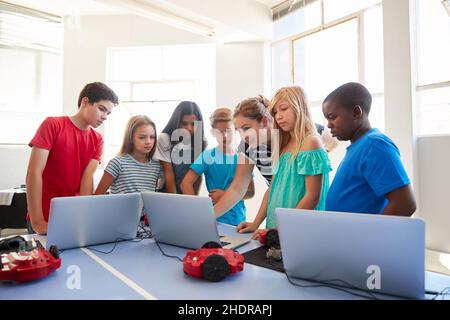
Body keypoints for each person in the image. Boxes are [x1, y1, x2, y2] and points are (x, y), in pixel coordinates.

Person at [213, 94, 335, 219]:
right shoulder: (246, 145)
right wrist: (209, 216)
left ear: (264, 122)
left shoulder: (297, 132)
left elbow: (333, 142)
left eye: (247, 128)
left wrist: (313, 160)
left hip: (307, 208)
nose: (243, 136)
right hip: (279, 203)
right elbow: (237, 188)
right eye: (238, 131)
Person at [237, 86, 331, 237]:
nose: (278, 116)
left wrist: (282, 229)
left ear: (299, 107)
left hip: (299, 230)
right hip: (278, 229)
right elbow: (272, 189)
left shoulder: (311, 142)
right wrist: (256, 223)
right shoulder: (283, 145)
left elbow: (312, 197)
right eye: (275, 112)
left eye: (283, 109)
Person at [26, 82, 119, 234]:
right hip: (44, 217)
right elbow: (33, 173)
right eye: (102, 109)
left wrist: (83, 219)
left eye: (108, 113)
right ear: (85, 102)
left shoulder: (97, 139)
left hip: (72, 219)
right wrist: (38, 222)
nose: (105, 117)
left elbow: (87, 178)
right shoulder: (53, 125)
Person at [322, 82, 416, 216]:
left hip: (365, 236)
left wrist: (372, 235)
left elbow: (405, 203)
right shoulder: (358, 146)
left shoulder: (374, 145)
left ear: (356, 112)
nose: (329, 125)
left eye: (332, 117)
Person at [181, 108, 255, 226]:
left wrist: (225, 195)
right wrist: (197, 210)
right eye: (219, 132)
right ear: (213, 133)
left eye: (228, 131)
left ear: (235, 129)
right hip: (214, 220)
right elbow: (185, 183)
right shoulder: (208, 156)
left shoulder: (244, 157)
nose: (225, 135)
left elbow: (251, 192)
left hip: (238, 220)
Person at [95, 115, 161, 195]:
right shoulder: (117, 163)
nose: (148, 141)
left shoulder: (157, 166)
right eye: (142, 137)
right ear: (130, 138)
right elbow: (98, 196)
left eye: (152, 137)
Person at [153, 101, 207, 194]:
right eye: (184, 124)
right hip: (167, 192)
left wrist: (194, 199)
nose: (189, 128)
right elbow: (168, 173)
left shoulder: (201, 142)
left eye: (193, 124)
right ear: (176, 122)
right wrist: (175, 202)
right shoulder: (165, 138)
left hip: (187, 190)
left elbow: (198, 175)